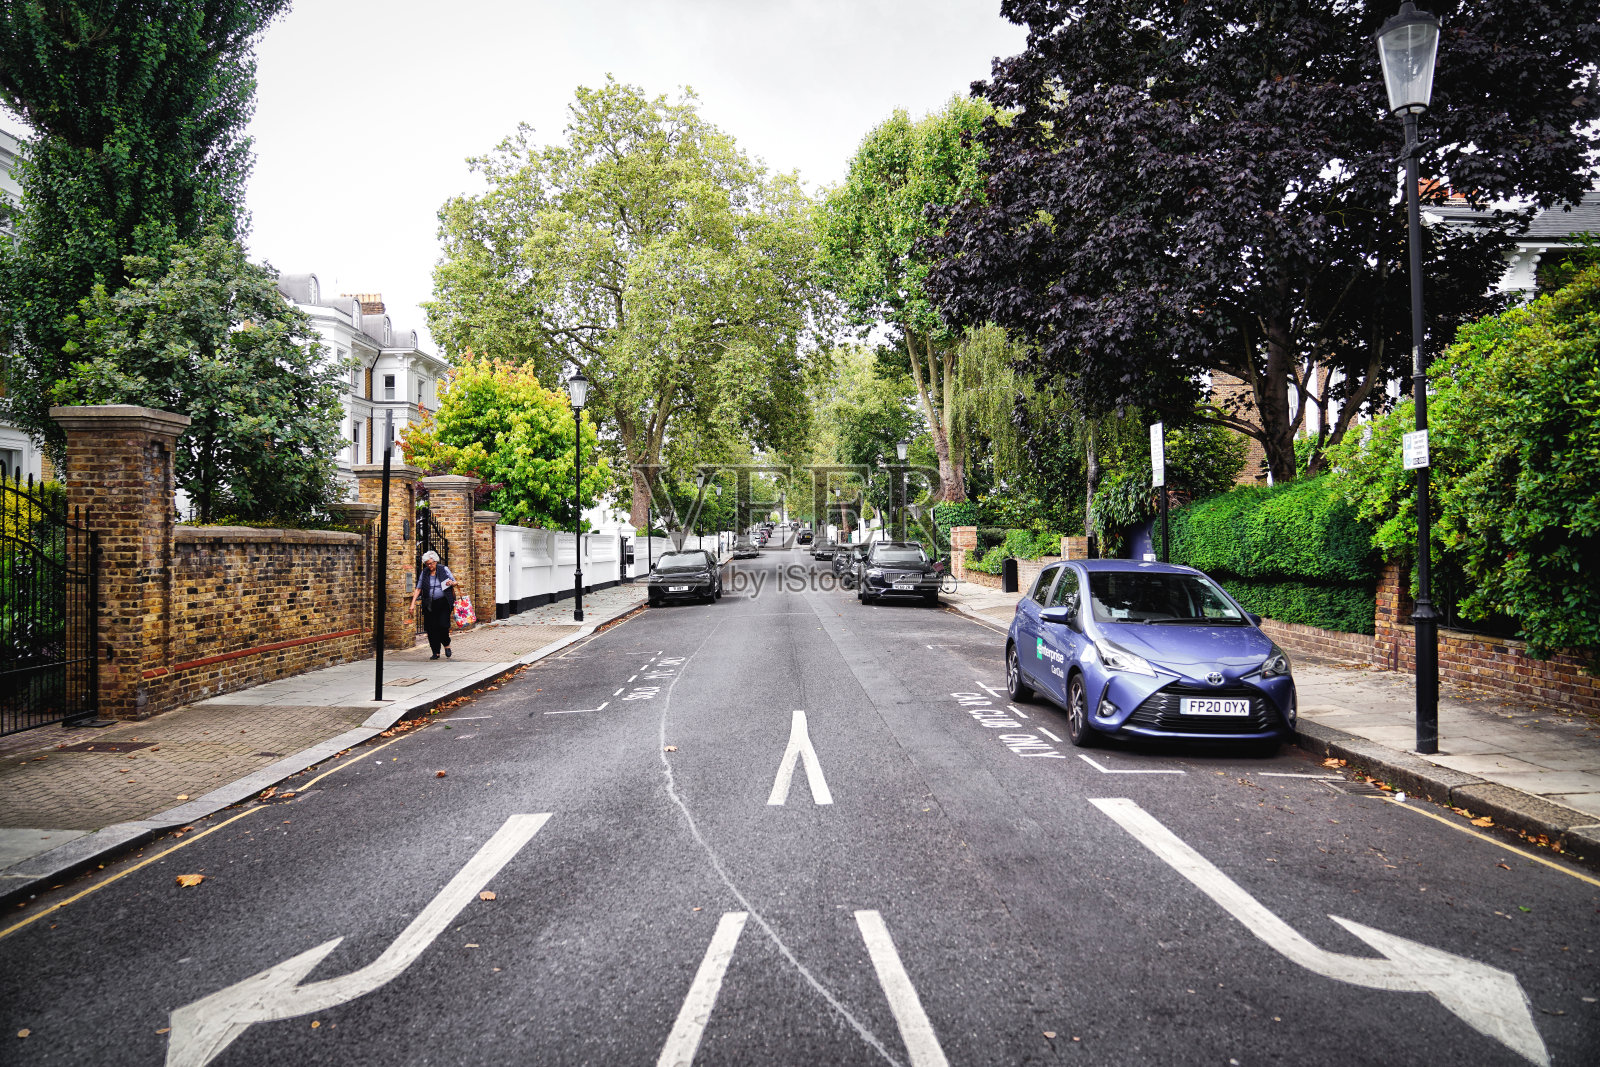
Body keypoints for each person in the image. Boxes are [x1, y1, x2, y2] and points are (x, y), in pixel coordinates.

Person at [409, 550, 458, 659]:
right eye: (427, 564)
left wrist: (451, 583)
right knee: (431, 628)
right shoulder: (425, 572)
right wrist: (412, 604)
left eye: (431, 563)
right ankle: (435, 652)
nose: (429, 566)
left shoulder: (443, 569)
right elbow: (418, 588)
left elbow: (455, 582)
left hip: (444, 602)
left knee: (443, 625)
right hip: (429, 604)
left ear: (436, 561)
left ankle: (446, 644)